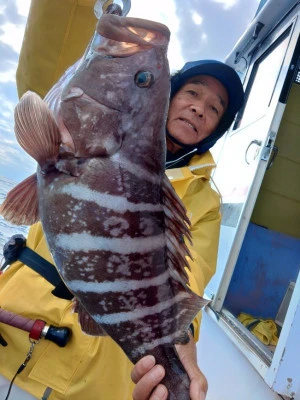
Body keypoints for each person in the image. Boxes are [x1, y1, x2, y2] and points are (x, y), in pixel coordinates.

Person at [0, 59, 244, 400]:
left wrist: (182, 340)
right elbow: (38, 69)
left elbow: (191, 276)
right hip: (13, 330)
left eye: (214, 109)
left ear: (216, 129)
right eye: (192, 92)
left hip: (94, 382)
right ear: (167, 95)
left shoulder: (205, 202)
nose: (199, 109)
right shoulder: (98, 131)